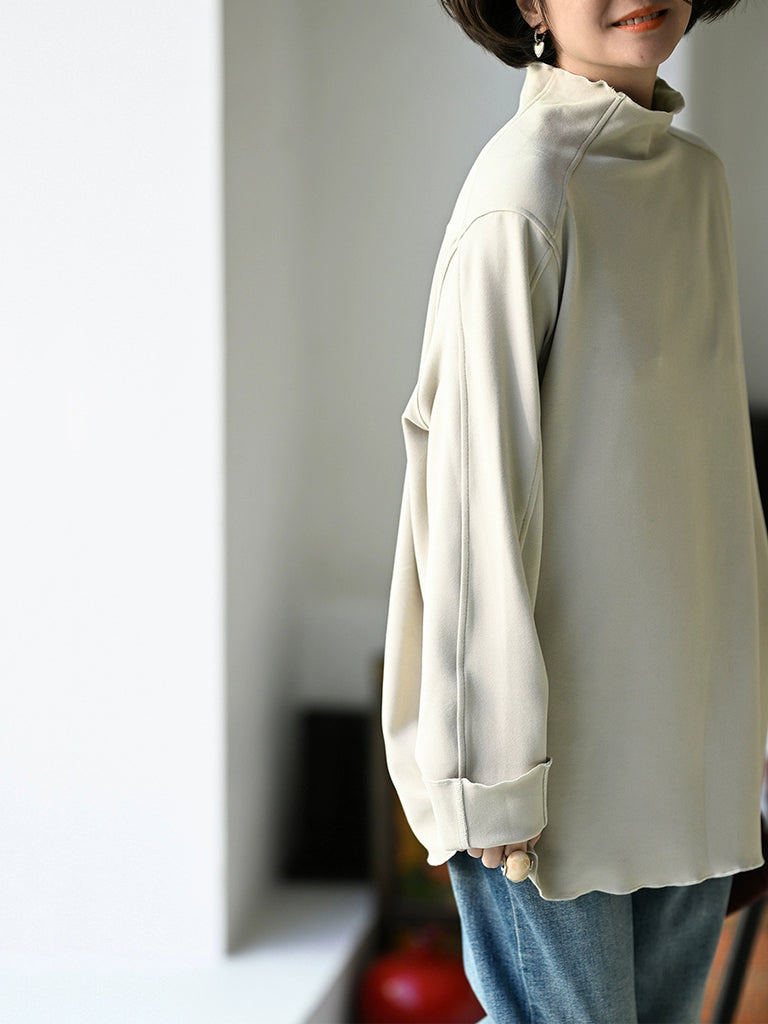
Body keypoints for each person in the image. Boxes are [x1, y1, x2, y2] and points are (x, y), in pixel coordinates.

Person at [380, 0, 768, 1020]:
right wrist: (491, 775)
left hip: (687, 755)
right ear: (525, 3)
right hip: (548, 779)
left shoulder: (698, 184)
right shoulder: (523, 193)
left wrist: (743, 742)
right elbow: (472, 498)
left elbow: (715, 492)